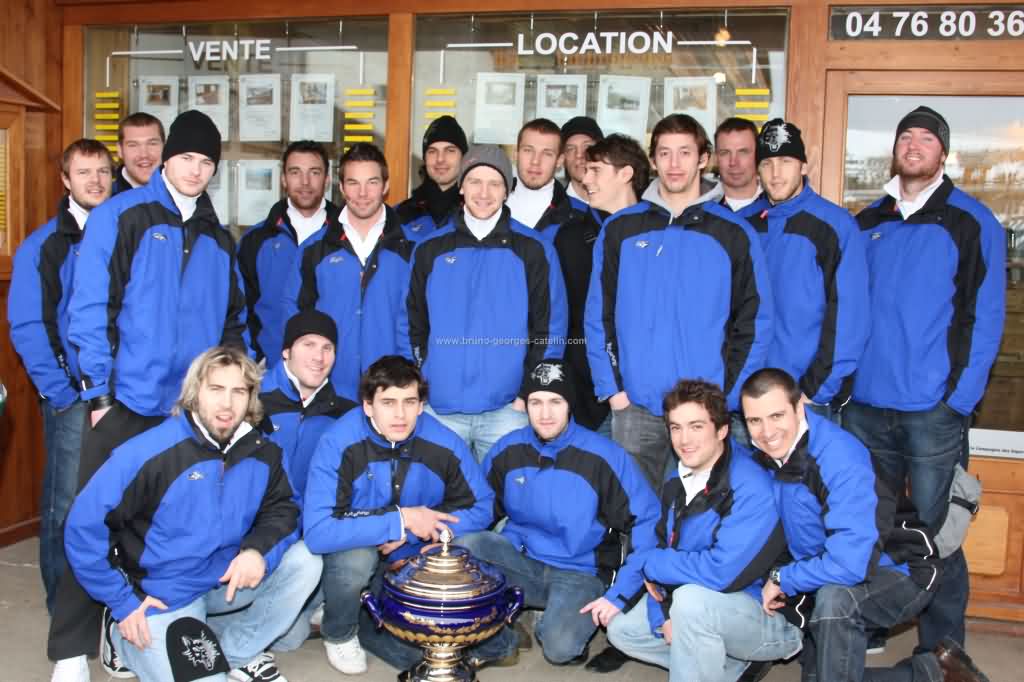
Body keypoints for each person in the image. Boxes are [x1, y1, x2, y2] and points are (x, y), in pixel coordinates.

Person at [51, 109, 247, 681]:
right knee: (91, 520)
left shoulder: (218, 238)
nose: (196, 170)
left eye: (206, 162)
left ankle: (128, 630)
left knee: (157, 531)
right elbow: (90, 309)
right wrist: (99, 394)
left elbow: (233, 325)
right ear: (165, 159)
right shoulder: (122, 216)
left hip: (186, 415)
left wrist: (225, 398)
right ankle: (70, 650)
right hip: (124, 403)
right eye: (186, 157)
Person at [844, 106, 1006, 654]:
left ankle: (943, 647)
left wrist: (960, 399)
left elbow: (985, 317)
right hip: (866, 407)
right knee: (872, 525)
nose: (913, 146)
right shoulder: (868, 221)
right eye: (905, 137)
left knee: (938, 534)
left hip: (933, 410)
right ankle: (870, 625)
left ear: (943, 152)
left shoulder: (971, 221)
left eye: (926, 139)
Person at [63, 346, 321, 682]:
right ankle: (119, 637)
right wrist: (122, 601)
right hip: (163, 596)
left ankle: (234, 652)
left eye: (238, 391)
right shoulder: (148, 452)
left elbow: (285, 509)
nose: (227, 404)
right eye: (216, 389)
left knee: (306, 561)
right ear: (195, 392)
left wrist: (256, 550)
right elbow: (83, 527)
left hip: (225, 581)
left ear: (251, 398)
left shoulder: (264, 451)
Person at [741, 367, 991, 682]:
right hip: (828, 569)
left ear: (799, 409)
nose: (766, 432)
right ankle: (933, 673)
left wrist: (783, 578)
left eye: (776, 416)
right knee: (824, 675)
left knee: (836, 602)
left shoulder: (838, 459)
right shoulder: (767, 455)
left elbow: (849, 566)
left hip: (900, 570)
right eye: (754, 421)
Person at [585, 113, 774, 491]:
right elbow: (598, 314)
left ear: (703, 159)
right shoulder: (620, 229)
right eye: (665, 153)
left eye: (685, 153)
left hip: (705, 410)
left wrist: (728, 396)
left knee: (704, 510)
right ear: (653, 160)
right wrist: (614, 390)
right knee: (637, 511)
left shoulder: (733, 232)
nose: (674, 163)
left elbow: (754, 320)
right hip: (636, 409)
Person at [455, 359, 658, 668]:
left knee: (560, 648)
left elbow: (648, 521)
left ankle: (548, 616)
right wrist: (441, 537)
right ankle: (506, 633)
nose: (545, 413)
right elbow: (479, 506)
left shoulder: (604, 456)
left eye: (555, 402)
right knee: (465, 546)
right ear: (526, 405)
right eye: (536, 402)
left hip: (580, 572)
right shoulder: (509, 449)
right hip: (522, 560)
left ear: (570, 404)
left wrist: (620, 594)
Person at [302, 355, 494, 675]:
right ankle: (339, 631)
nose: (400, 414)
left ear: (421, 405)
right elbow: (318, 531)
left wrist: (420, 530)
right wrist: (399, 520)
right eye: (388, 402)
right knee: (355, 562)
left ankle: (370, 609)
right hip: (357, 546)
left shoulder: (443, 441)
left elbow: (483, 506)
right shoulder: (338, 441)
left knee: (424, 656)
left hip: (412, 552)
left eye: (409, 402)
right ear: (368, 406)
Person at [607, 379, 801, 682]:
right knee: (622, 630)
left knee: (691, 605)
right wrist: (664, 614)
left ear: (722, 430)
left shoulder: (751, 486)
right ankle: (731, 667)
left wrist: (654, 567)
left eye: (696, 426)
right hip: (696, 595)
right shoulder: (677, 477)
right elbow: (662, 549)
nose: (684, 439)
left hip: (766, 615)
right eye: (676, 427)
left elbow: (721, 573)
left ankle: (719, 657)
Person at [401, 144, 568, 461]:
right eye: (475, 181)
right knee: (441, 490)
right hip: (440, 408)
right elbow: (410, 322)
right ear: (461, 186)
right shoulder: (429, 249)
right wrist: (420, 379)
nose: (484, 192)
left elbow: (550, 328)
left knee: (506, 491)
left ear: (507, 191)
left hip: (508, 410)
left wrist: (527, 393)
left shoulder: (534, 250)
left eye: (494, 183)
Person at [8, 138, 113, 614]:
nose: (95, 180)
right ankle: (63, 612)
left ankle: (107, 605)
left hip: (122, 395)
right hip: (73, 398)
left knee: (116, 502)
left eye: (102, 171)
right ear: (66, 180)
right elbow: (28, 324)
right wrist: (64, 393)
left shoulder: (124, 232)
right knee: (65, 506)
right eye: (84, 172)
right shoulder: (44, 245)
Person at [739, 118, 869, 423]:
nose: (775, 173)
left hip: (804, 398)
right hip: (746, 399)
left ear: (803, 166)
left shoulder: (834, 226)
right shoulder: (741, 225)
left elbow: (849, 317)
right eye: (767, 163)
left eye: (785, 161)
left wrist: (816, 390)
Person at [282, 142, 414, 402]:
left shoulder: (413, 250)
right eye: (353, 183)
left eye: (372, 182)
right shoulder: (314, 250)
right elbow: (294, 316)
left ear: (386, 186)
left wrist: (409, 377)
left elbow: (422, 321)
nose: (362, 193)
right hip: (328, 392)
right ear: (341, 188)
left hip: (393, 392)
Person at [552, 134, 649, 434]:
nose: (585, 178)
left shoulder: (662, 232)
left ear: (625, 174)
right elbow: (561, 319)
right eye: (586, 170)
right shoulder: (569, 236)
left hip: (648, 396)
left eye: (595, 170)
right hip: (586, 397)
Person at [238, 141, 340, 365]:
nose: (305, 182)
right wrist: (255, 358)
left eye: (314, 172)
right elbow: (241, 309)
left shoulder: (347, 238)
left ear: (327, 179)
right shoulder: (255, 241)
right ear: (283, 179)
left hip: (333, 368)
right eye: (295, 172)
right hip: (271, 369)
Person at [395, 115, 468, 240]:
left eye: (450, 150)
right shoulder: (400, 214)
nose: (440, 159)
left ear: (464, 157)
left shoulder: (477, 211)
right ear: (425, 159)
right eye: (432, 151)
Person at [505, 118, 573, 235]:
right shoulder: (488, 202)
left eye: (547, 154)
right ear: (516, 154)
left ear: (559, 161)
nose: (535, 161)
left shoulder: (573, 218)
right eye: (528, 150)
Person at [713, 117, 761, 212]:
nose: (733, 162)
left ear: (758, 155)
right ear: (716, 158)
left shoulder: (778, 207)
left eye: (743, 152)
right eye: (725, 153)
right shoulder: (699, 211)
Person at [112, 112, 165, 194]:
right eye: (133, 145)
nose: (144, 154)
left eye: (152, 144)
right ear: (120, 150)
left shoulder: (183, 194)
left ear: (165, 147)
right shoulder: (105, 198)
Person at [560, 116, 604, 212]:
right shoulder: (553, 211)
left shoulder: (620, 207)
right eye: (570, 149)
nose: (579, 155)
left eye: (587, 146)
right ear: (562, 159)